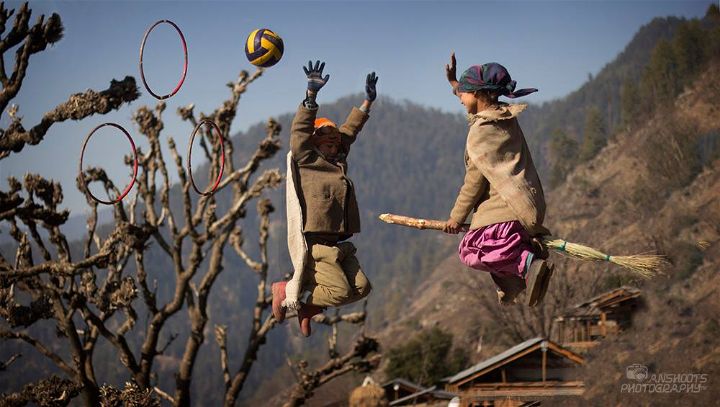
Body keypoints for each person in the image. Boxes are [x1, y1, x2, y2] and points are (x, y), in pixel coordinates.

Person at [273, 60, 378, 336]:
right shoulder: (307, 160)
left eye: (335, 142)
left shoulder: (338, 161)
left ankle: (308, 305)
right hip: (318, 244)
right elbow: (299, 134)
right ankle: (287, 291)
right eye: (327, 142)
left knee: (362, 288)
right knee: (341, 292)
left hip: (341, 242)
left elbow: (350, 132)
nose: (334, 145)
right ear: (315, 144)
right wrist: (311, 97)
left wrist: (367, 103)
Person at [442, 53, 553, 306]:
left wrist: (456, 217)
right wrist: (454, 85)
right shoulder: (501, 117)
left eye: (464, 92)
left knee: (471, 251)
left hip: (506, 209)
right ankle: (526, 269)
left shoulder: (483, 132)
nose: (460, 98)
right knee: (491, 251)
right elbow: (477, 108)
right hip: (522, 205)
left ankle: (527, 264)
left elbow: (474, 181)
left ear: (480, 94)